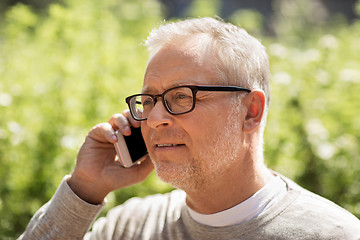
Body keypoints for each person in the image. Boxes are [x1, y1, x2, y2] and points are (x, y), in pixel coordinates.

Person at [19, 17, 360, 240]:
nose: (153, 119)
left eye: (181, 97)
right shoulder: (130, 227)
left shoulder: (331, 234)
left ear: (250, 112)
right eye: (149, 100)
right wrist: (83, 190)